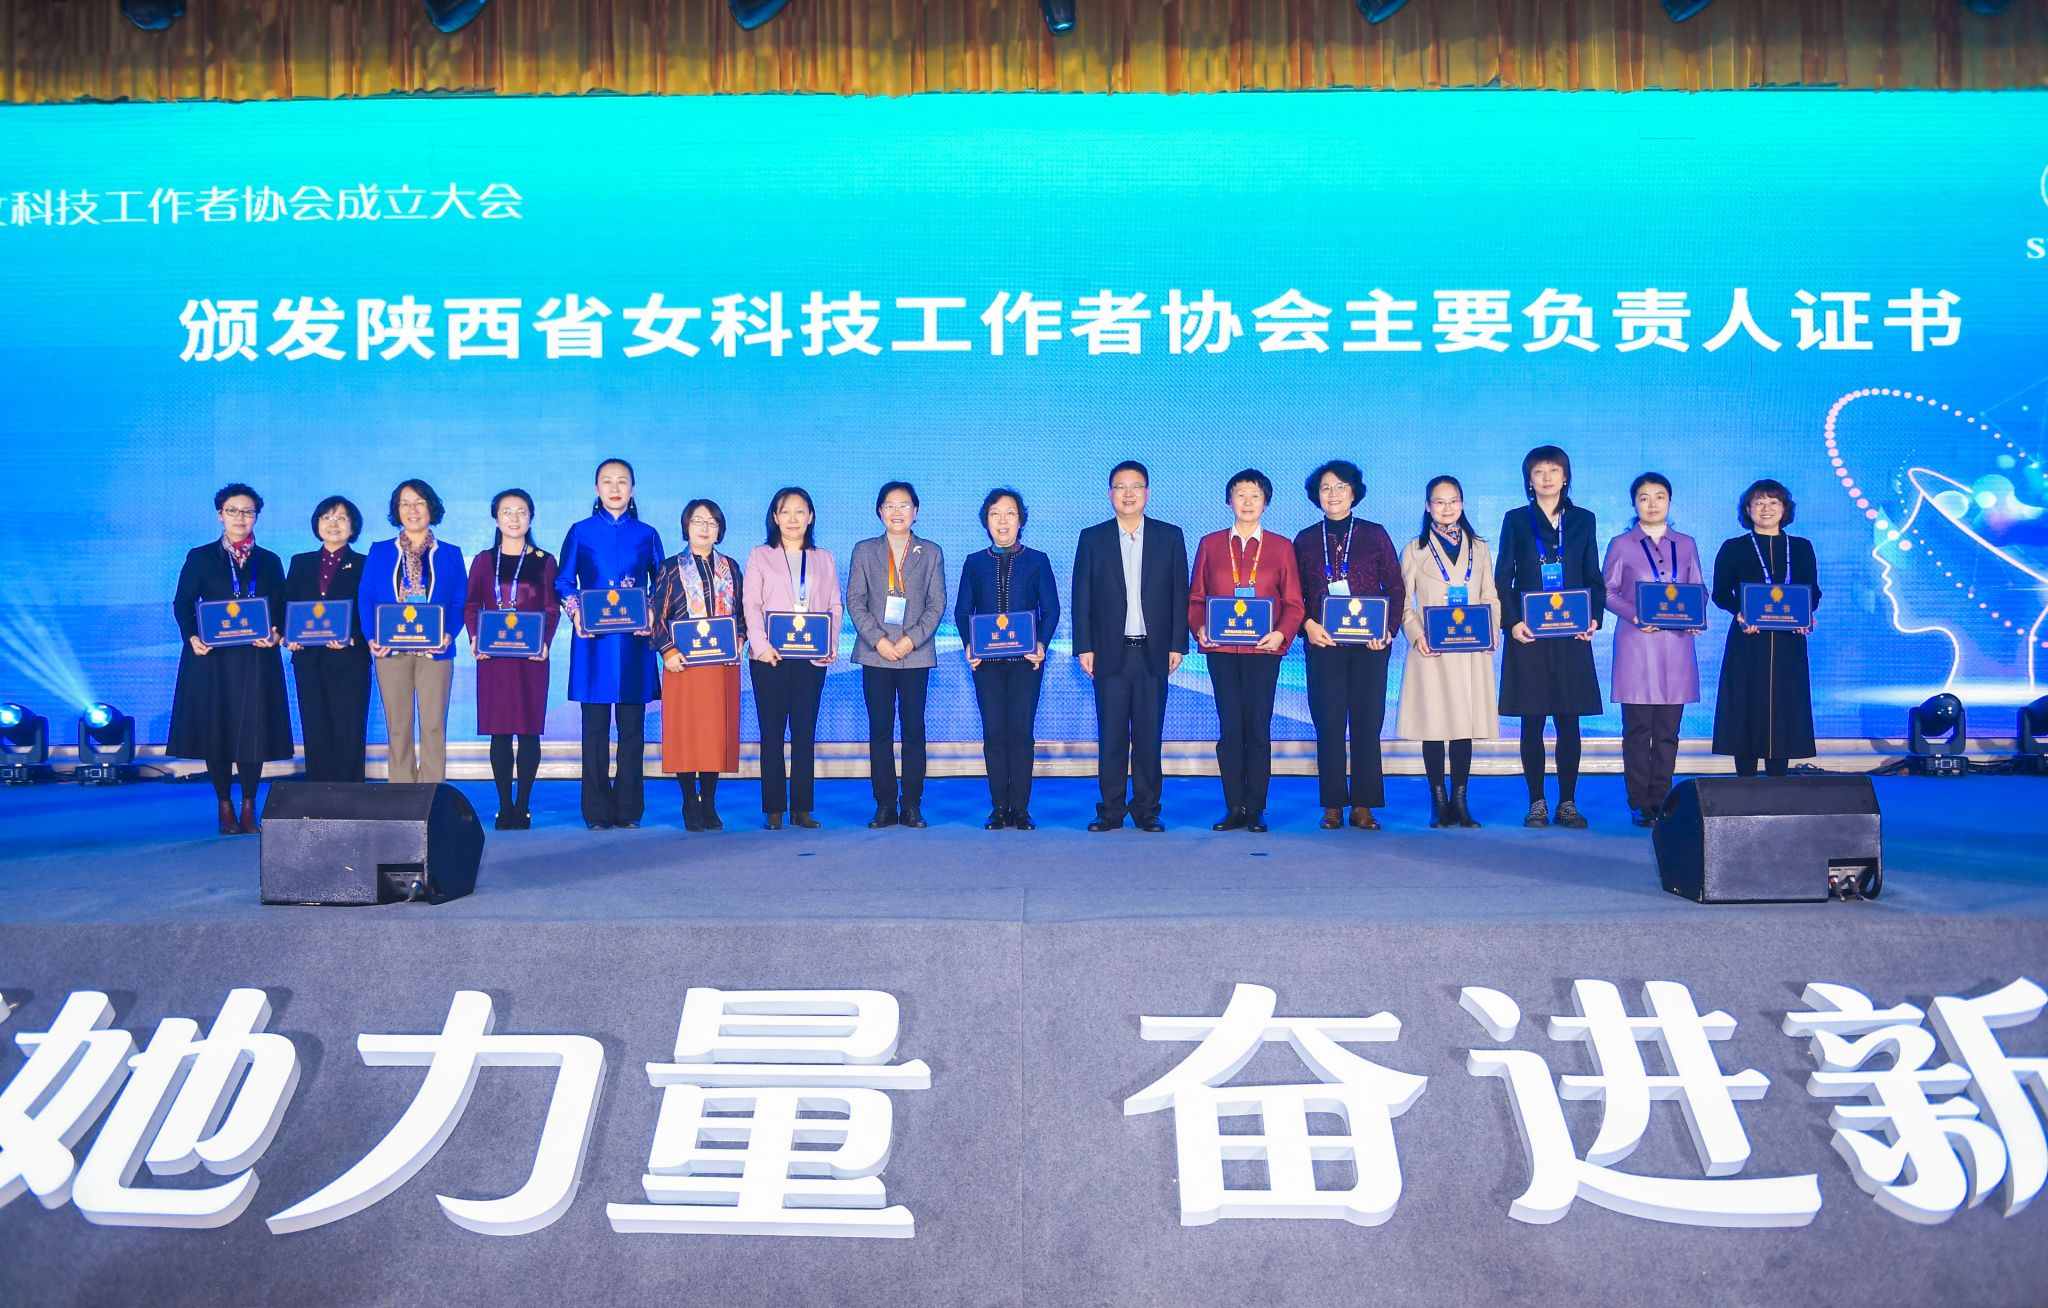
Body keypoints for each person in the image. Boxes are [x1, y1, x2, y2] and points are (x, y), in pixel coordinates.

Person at [1071, 459, 1189, 832]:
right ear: (1110, 494)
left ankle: (1147, 810)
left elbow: (1179, 595)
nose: (1128, 493)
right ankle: (1110, 810)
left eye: (1135, 486)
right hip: (1109, 652)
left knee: (1149, 736)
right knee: (1112, 736)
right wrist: (1084, 646)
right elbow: (1081, 597)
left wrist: (1177, 644)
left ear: (1147, 493)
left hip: (1154, 653)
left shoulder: (1170, 537)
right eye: (1120, 486)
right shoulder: (1092, 538)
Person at [169, 483, 292, 835]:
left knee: (253, 731)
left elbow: (281, 606)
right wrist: (192, 637)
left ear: (256, 516)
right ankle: (224, 804)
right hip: (213, 659)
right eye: (233, 511)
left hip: (256, 658)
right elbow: (183, 603)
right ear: (220, 515)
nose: (241, 517)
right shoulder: (200, 557)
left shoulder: (269, 560)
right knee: (217, 730)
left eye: (248, 511)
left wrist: (277, 633)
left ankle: (249, 804)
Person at [1190, 468, 1305, 833]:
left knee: (1257, 728)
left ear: (1266, 502)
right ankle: (1233, 806)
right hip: (1222, 652)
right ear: (1229, 500)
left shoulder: (1281, 547)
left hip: (1263, 653)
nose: (1247, 501)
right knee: (1230, 729)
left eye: (1255, 495)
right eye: (1240, 494)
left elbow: (1294, 603)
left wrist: (1280, 634)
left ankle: (1255, 808)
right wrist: (1200, 627)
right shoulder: (1210, 544)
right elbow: (1196, 599)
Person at [1496, 445, 1604, 829]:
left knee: (1569, 722)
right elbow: (1502, 578)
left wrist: (1593, 618)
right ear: (1529, 479)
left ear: (1565, 476)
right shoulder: (1515, 520)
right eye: (1538, 471)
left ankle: (1568, 803)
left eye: (1553, 470)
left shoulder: (1583, 520)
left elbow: (1593, 576)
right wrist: (1512, 623)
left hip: (1571, 636)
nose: (1546, 478)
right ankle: (1537, 802)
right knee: (1532, 722)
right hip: (1528, 636)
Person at [1293, 459, 1404, 831]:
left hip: (1369, 647)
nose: (1333, 494)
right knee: (1329, 725)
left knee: (1367, 724)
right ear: (1317, 495)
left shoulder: (1374, 534)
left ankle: (1363, 805)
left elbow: (1395, 586)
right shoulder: (1306, 539)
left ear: (1354, 492)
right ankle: (1333, 805)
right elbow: (1294, 593)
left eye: (1341, 486)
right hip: (1324, 645)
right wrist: (1307, 625)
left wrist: (1388, 629)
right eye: (1326, 488)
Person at [556, 458, 664, 829]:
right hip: (594, 642)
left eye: (622, 481)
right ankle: (597, 811)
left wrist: (651, 611)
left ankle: (629, 809)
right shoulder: (580, 531)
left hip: (634, 644)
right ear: (596, 488)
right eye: (607, 481)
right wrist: (576, 612)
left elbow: (661, 583)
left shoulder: (647, 534)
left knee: (632, 731)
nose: (614, 488)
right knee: (594, 730)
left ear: (633, 489)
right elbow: (564, 581)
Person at [1602, 473, 1705, 826]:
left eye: (1659, 496)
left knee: (1667, 732)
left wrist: (1696, 616)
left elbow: (1699, 590)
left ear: (1669, 501)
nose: (1652, 504)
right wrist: (1636, 615)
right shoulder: (1621, 544)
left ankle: (1661, 798)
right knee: (1637, 730)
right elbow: (1607, 592)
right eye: (1644, 497)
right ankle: (1638, 800)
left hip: (1676, 648)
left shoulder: (1686, 544)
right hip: (1636, 645)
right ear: (1634, 503)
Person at [1397, 475, 1500, 829]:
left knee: (1462, 727)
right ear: (1428, 507)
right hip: (1432, 649)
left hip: (1470, 647)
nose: (1447, 508)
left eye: (1453, 501)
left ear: (1462, 504)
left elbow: (1490, 596)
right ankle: (1438, 801)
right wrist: (1416, 636)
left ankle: (1460, 800)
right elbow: (1403, 603)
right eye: (1439, 502)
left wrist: (1491, 631)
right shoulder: (1414, 549)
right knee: (1434, 724)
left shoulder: (1479, 548)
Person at [956, 488, 1060, 830]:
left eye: (1010, 513)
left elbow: (1051, 609)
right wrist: (970, 645)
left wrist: (1041, 644)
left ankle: (1021, 808)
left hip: (1027, 663)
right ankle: (999, 807)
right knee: (994, 734)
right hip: (986, 665)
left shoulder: (1037, 560)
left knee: (1021, 734)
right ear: (986, 521)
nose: (1003, 521)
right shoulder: (974, 562)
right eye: (995, 514)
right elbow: (962, 611)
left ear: (1021, 520)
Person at [846, 481, 948, 829]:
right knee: (880, 731)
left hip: (915, 655)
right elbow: (855, 601)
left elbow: (937, 604)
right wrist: (879, 641)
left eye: (904, 505)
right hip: (875, 654)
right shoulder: (864, 550)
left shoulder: (930, 552)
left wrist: (910, 640)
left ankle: (912, 804)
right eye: (889, 506)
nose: (897, 512)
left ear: (915, 512)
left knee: (913, 730)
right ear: (879, 512)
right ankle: (885, 804)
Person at [744, 486, 843, 830]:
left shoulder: (823, 558)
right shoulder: (760, 555)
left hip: (810, 658)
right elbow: (751, 604)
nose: (793, 518)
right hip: (769, 657)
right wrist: (760, 645)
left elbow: (834, 605)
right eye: (785, 511)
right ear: (775, 517)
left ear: (810, 517)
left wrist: (829, 643)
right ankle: (773, 808)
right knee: (771, 732)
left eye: (800, 511)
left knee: (804, 732)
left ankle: (802, 808)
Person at [463, 489, 560, 830]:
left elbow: (551, 607)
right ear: (496, 518)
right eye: (507, 512)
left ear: (531, 518)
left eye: (521, 512)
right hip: (494, 658)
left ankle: (524, 805)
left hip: (531, 658)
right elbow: (472, 604)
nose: (514, 518)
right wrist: (475, 637)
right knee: (500, 733)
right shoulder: (483, 560)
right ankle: (504, 806)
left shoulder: (545, 561)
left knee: (529, 732)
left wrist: (545, 641)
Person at [1712, 479, 1821, 777]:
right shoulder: (1734, 548)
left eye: (1773, 502)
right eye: (1758, 503)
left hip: (1789, 641)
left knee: (1784, 708)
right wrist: (1739, 613)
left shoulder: (1801, 547)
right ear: (1748, 509)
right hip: (1748, 640)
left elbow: (1812, 590)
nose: (1766, 508)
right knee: (1746, 706)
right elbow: (1720, 593)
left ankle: (1778, 783)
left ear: (1784, 508)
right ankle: (1745, 783)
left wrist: (1807, 614)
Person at [651, 499, 746, 832]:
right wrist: (667, 651)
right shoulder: (670, 568)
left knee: (713, 733)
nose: (705, 528)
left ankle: (710, 801)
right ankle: (689, 800)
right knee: (686, 733)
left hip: (721, 665)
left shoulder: (731, 567)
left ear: (720, 529)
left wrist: (740, 637)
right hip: (683, 664)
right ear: (686, 526)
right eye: (698, 521)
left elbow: (741, 614)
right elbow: (656, 616)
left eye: (712, 522)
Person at [362, 478, 465, 785]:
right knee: (398, 727)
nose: (412, 510)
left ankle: (431, 793)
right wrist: (372, 638)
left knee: (433, 726)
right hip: (390, 651)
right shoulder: (380, 551)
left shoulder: (451, 553)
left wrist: (449, 634)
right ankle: (402, 794)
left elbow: (459, 601)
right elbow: (366, 597)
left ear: (431, 508)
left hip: (436, 652)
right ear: (397, 510)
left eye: (419, 503)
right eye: (405, 503)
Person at [283, 495, 370, 784]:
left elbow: (372, 609)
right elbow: (287, 604)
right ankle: (318, 793)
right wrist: (289, 635)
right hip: (308, 659)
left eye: (341, 518)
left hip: (350, 659)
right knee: (315, 727)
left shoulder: (365, 564)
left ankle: (351, 794)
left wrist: (353, 637)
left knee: (350, 729)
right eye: (327, 517)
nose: (333, 524)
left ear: (353, 526)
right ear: (317, 523)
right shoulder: (300, 562)